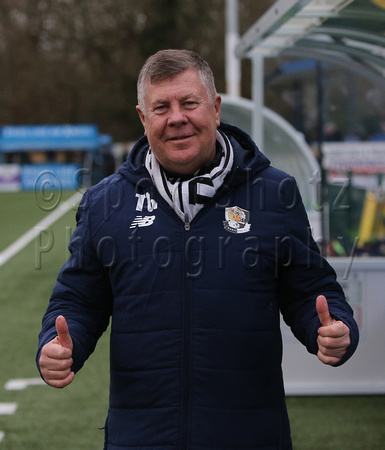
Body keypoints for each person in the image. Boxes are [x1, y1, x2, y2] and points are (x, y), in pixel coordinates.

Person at [37, 49, 359, 450]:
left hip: (249, 437)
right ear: (143, 118)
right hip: (141, 439)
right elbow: (78, 301)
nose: (177, 118)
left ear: (216, 108)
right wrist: (57, 342)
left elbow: (310, 289)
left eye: (189, 103)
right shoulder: (106, 203)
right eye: (161, 107)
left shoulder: (274, 193)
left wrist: (330, 329)